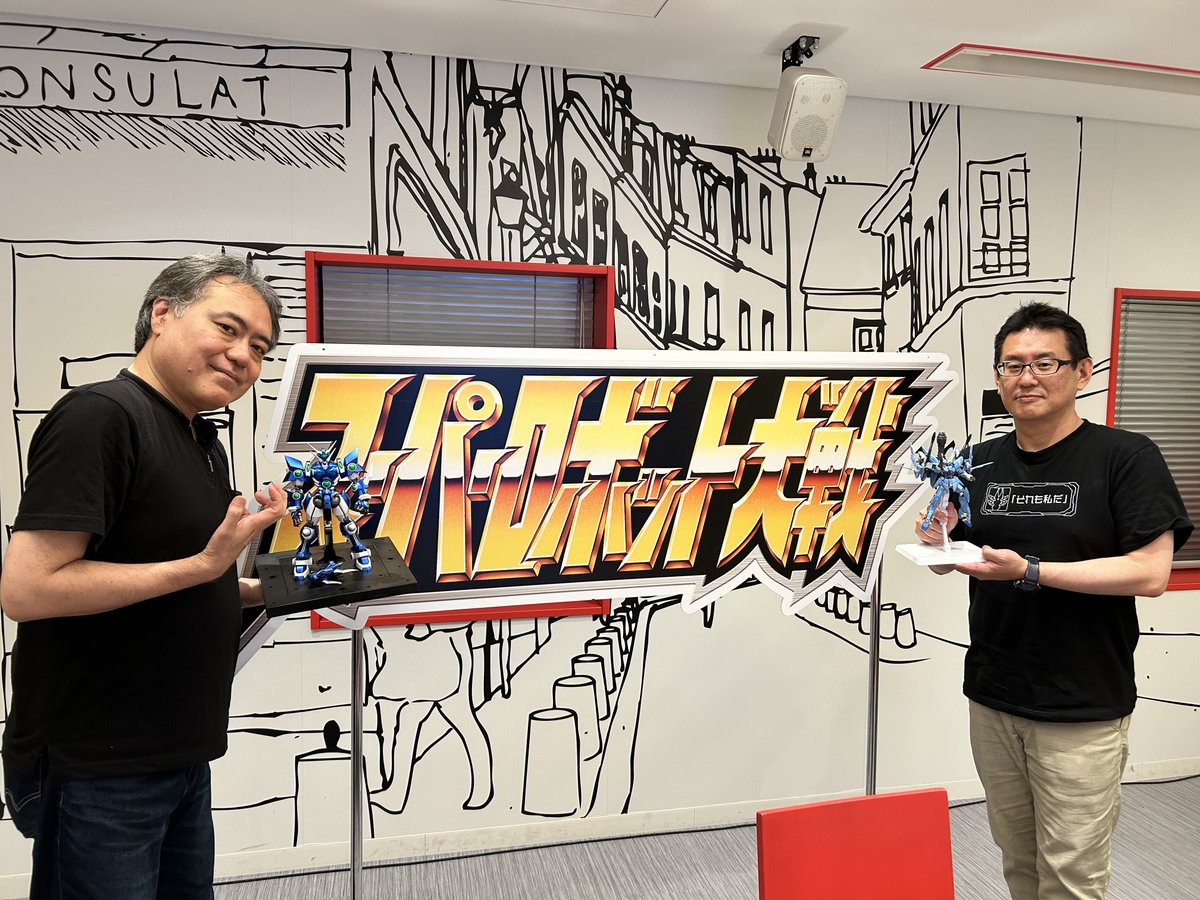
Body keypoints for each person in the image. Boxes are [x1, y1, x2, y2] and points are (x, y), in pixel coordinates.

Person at [0, 254, 289, 899]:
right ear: (162, 314)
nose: (243, 355)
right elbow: (29, 590)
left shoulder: (200, 440)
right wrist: (204, 566)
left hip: (179, 755)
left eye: (259, 347)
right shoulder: (101, 416)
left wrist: (273, 587)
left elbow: (173, 580)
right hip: (100, 767)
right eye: (228, 328)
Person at [915, 301, 1192, 900]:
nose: (1027, 377)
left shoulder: (1126, 457)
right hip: (994, 693)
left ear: (1082, 372)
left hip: (1081, 704)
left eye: (1045, 363)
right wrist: (938, 541)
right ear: (997, 376)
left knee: (1071, 875)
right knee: (1018, 859)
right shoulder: (979, 461)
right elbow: (952, 560)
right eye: (1012, 365)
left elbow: (1150, 572)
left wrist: (1032, 571)